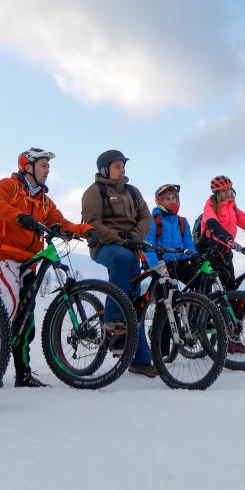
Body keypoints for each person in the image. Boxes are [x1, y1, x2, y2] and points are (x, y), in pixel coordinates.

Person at [0, 149, 94, 387]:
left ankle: (23, 373)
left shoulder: (44, 200)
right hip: (1, 253)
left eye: (48, 167)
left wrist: (84, 230)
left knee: (26, 318)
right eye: (43, 165)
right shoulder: (9, 185)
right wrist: (19, 216)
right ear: (27, 166)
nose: (47, 170)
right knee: (7, 306)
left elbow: (59, 222)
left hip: (28, 260)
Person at [81, 150, 156, 377]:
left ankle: (141, 360)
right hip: (105, 246)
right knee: (122, 260)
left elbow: (146, 217)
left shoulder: (133, 192)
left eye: (123, 165)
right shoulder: (94, 192)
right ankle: (113, 319)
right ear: (105, 169)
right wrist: (119, 238)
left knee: (136, 303)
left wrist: (135, 235)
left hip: (130, 246)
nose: (122, 169)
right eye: (117, 165)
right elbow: (92, 223)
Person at [142, 183, 196, 271]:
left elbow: (188, 244)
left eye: (174, 198)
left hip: (182, 263)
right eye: (167, 199)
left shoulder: (182, 221)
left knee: (204, 279)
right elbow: (147, 245)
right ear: (160, 201)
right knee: (168, 285)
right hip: (161, 264)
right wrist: (156, 267)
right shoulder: (152, 221)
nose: (172, 201)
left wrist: (194, 256)